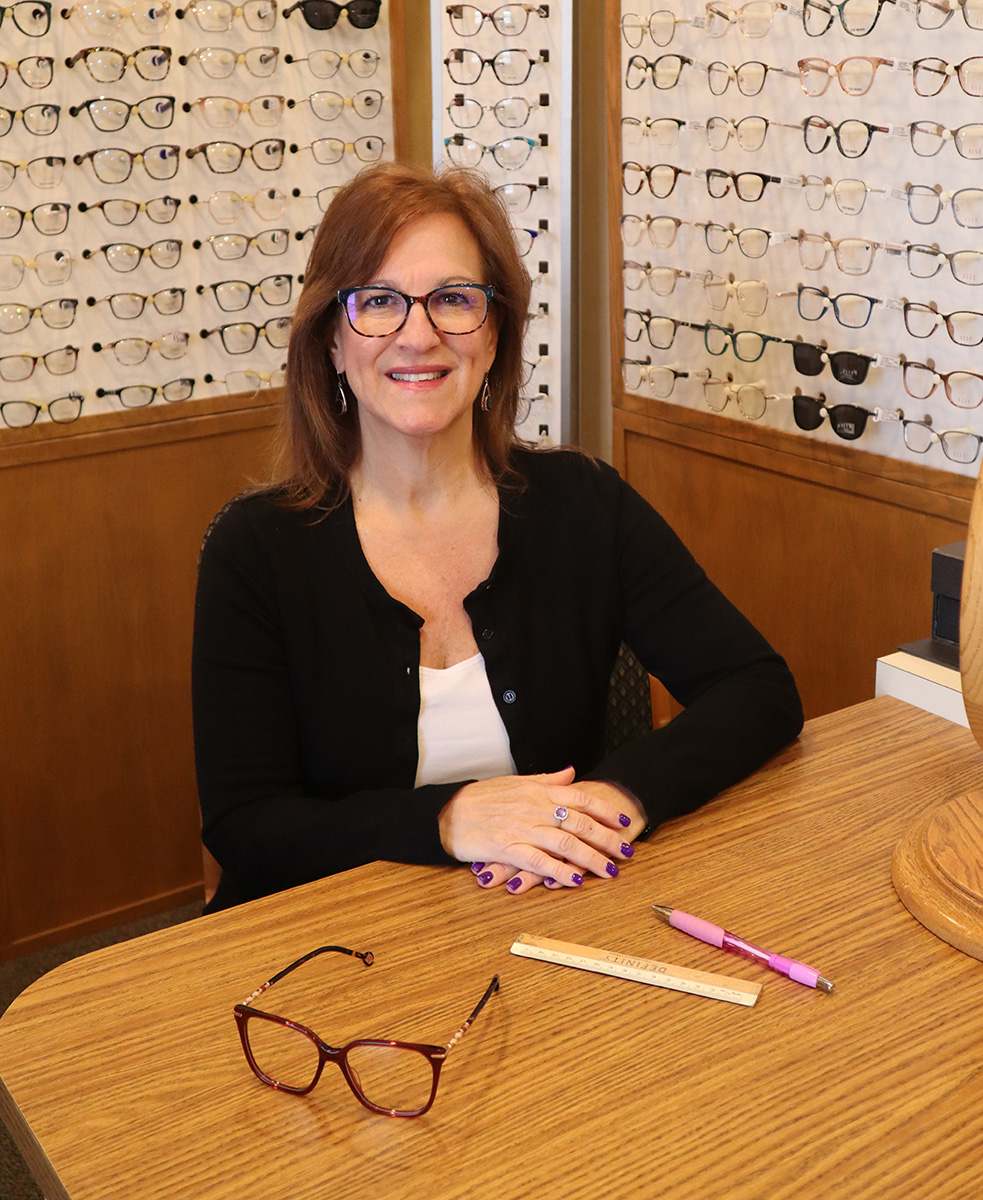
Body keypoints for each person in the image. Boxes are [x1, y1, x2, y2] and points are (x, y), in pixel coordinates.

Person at [192, 161, 803, 913]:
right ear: (330, 341)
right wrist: (447, 818)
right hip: (322, 945)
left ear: (493, 335)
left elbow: (758, 690)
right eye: (378, 301)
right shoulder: (255, 549)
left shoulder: (582, 503)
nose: (417, 335)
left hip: (539, 920)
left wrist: (622, 796)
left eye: (453, 299)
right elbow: (246, 826)